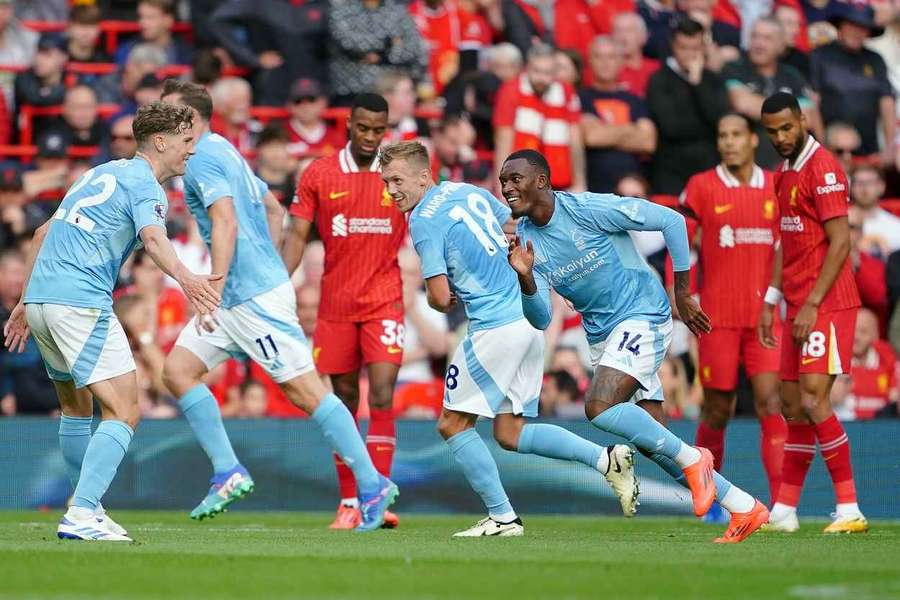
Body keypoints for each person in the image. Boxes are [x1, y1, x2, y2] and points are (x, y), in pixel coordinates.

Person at [159, 81, 398, 532]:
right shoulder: (225, 150)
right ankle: (228, 471)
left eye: (168, 114)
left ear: (189, 119)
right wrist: (262, 263)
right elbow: (272, 208)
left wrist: (220, 281)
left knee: (306, 392)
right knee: (177, 371)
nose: (161, 123)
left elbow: (225, 220)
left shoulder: (201, 160)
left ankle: (372, 484)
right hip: (241, 293)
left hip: (248, 296)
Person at [502, 148, 768, 544]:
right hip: (602, 336)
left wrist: (682, 293)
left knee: (599, 405)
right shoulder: (526, 241)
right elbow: (540, 317)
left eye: (515, 179)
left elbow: (672, 221)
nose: (506, 188)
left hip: (643, 314)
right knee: (654, 438)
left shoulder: (590, 209)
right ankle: (744, 505)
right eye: (503, 181)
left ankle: (698, 460)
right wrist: (524, 278)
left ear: (541, 181)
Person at [381, 141, 639, 536]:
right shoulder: (468, 190)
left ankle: (502, 517)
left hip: (494, 326)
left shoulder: (421, 220)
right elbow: (516, 224)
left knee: (452, 424)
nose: (391, 189)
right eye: (386, 182)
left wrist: (444, 297)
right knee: (510, 431)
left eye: (397, 180)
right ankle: (605, 459)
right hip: (528, 314)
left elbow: (435, 295)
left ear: (422, 176)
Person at [2, 101, 222, 541]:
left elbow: (43, 233)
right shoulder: (146, 185)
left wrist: (26, 301)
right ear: (160, 141)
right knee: (125, 409)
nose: (190, 152)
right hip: (80, 302)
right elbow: (154, 239)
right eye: (185, 142)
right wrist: (188, 279)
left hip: (44, 299)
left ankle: (89, 508)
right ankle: (82, 512)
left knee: (76, 408)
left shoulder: (98, 173)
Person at [281, 94, 405, 530]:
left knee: (385, 393)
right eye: (364, 128)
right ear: (349, 125)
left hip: (385, 299)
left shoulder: (400, 172)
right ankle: (350, 499)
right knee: (344, 401)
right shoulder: (320, 172)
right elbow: (297, 234)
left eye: (379, 130)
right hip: (335, 304)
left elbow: (430, 220)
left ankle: (379, 496)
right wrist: (280, 286)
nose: (371, 137)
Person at [759, 92, 866, 534]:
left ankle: (849, 508)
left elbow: (841, 244)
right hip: (797, 303)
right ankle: (785, 510)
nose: (781, 137)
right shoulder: (783, 174)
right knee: (792, 406)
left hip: (828, 302)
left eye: (787, 127)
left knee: (813, 399)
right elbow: (787, 240)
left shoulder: (823, 168)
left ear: (802, 120)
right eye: (772, 131)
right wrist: (771, 298)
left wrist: (812, 304)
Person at [678, 113, 786, 516]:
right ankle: (713, 502)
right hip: (716, 317)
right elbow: (681, 244)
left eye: (736, 135)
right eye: (722, 135)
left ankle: (782, 506)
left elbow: (786, 247)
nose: (729, 142)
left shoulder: (776, 186)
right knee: (717, 408)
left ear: (753, 140)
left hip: (763, 318)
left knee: (770, 402)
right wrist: (684, 292)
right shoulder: (702, 187)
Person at [722, 16, 820, 169]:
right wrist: (789, 115)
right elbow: (742, 103)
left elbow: (808, 118)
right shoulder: (734, 68)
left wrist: (759, 105)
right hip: (746, 169)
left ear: (781, 45)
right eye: (755, 36)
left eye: (767, 38)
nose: (759, 43)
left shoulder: (792, 75)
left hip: (787, 168)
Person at [647, 17, 730, 195]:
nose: (689, 54)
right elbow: (671, 127)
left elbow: (720, 120)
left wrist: (697, 84)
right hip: (671, 170)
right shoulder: (659, 79)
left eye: (695, 48)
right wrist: (704, 126)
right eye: (683, 48)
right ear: (673, 46)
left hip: (708, 166)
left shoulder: (711, 79)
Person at [811, 2, 896, 166]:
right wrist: (822, 147)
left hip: (869, 149)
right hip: (833, 146)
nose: (857, 31)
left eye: (863, 27)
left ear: (868, 32)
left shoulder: (875, 59)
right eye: (852, 25)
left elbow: (887, 102)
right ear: (841, 26)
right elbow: (813, 103)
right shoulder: (820, 56)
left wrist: (890, 146)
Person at [494, 43, 585, 192]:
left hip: (559, 179)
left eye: (547, 73)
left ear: (555, 72)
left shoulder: (566, 91)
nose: (541, 78)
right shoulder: (511, 90)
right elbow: (503, 138)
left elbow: (575, 139)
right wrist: (501, 187)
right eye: (536, 71)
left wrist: (579, 182)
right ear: (527, 67)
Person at [579, 35, 656, 194]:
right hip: (594, 189)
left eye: (611, 57)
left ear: (621, 62)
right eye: (599, 57)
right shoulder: (581, 98)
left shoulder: (635, 100)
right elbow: (592, 136)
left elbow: (648, 142)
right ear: (590, 61)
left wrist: (606, 131)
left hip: (634, 187)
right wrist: (630, 129)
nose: (605, 63)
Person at [831, 308, 898, 421]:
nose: (856, 337)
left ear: (875, 335)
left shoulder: (886, 357)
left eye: (863, 332)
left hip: (883, 427)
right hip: (847, 426)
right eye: (853, 330)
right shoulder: (835, 360)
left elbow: (895, 397)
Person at [115, 0, 192, 66]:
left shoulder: (185, 54)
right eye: (141, 17)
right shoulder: (126, 51)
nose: (143, 23)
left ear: (168, 20)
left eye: (151, 18)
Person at [283, 78, 343, 161]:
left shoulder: (336, 137)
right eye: (298, 101)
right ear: (289, 105)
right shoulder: (278, 135)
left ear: (323, 102)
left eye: (311, 100)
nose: (305, 106)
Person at [850, 165, 900, 255]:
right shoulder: (840, 223)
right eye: (859, 183)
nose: (864, 188)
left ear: (882, 186)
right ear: (851, 187)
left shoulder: (896, 226)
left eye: (870, 182)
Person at [611, 11, 660, 98]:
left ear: (643, 37)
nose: (622, 36)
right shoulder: (607, 71)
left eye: (629, 31)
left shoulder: (657, 69)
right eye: (618, 31)